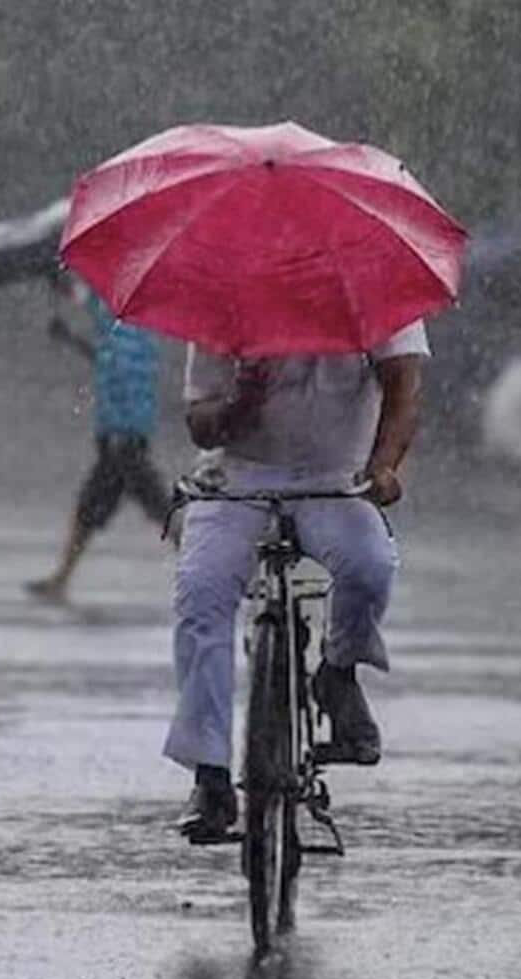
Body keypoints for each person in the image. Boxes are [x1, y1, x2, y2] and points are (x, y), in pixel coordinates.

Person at [169, 322, 429, 840]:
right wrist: (241, 404)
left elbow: (404, 386)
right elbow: (199, 423)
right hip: (238, 478)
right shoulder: (228, 297)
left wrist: (384, 466)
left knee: (370, 566)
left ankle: (338, 671)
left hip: (335, 479)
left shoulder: (373, 288)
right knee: (201, 595)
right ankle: (210, 773)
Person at [24, 274, 173, 602]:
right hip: (127, 434)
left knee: (155, 510)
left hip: (121, 437)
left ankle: (209, 575)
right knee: (124, 509)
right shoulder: (135, 323)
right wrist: (69, 337)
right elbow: (108, 359)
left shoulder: (115, 313)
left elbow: (112, 359)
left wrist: (65, 314)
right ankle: (61, 578)